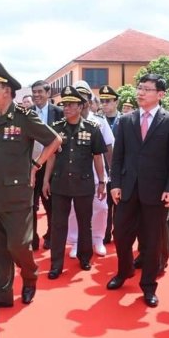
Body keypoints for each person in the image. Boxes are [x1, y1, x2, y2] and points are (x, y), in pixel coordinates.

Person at [0, 62, 61, 311]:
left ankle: (30, 275)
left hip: (16, 195)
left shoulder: (24, 118)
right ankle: (2, 293)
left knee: (18, 245)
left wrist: (36, 164)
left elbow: (54, 140)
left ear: (8, 91)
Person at [107, 73, 169, 308]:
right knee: (120, 235)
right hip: (127, 190)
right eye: (139, 88)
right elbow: (118, 156)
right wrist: (116, 183)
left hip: (156, 193)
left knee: (151, 242)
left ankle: (149, 286)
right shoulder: (127, 120)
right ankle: (124, 271)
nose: (140, 92)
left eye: (147, 89)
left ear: (160, 94)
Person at [42, 86, 107, 279]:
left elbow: (97, 157)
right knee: (58, 224)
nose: (66, 108)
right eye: (64, 104)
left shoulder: (92, 129)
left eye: (71, 104)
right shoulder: (57, 128)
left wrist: (102, 181)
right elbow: (51, 157)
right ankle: (56, 264)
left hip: (84, 184)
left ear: (81, 106)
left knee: (84, 222)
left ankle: (84, 257)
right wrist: (45, 180)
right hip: (60, 183)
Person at [66, 82, 114, 257]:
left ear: (88, 100)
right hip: (73, 175)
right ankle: (76, 241)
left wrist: (112, 172)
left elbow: (108, 147)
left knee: (101, 208)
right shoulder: (66, 122)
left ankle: (98, 239)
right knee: (73, 210)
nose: (81, 99)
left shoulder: (99, 122)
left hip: (96, 175)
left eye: (84, 96)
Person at [30, 80, 64, 250]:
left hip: (52, 167)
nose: (36, 95)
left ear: (48, 93)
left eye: (40, 92)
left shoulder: (59, 113)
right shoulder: (26, 113)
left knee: (51, 205)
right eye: (34, 92)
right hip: (31, 167)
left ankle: (50, 235)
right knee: (30, 205)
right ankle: (32, 238)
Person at [99, 85, 120, 245]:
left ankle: (118, 231)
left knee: (119, 205)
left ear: (116, 102)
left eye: (108, 101)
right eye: (102, 101)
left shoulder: (126, 120)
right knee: (104, 205)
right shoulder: (97, 121)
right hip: (102, 170)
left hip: (120, 169)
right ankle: (104, 234)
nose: (104, 104)